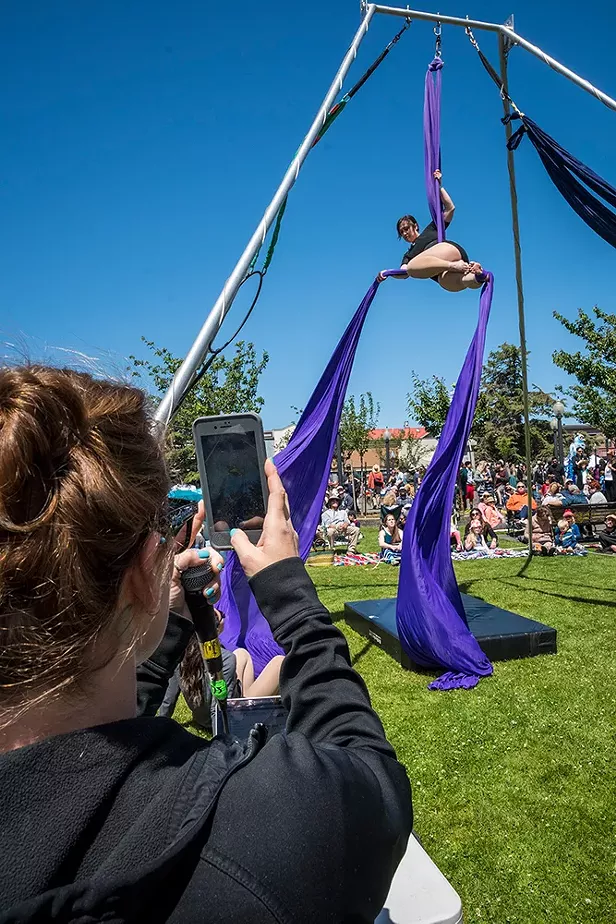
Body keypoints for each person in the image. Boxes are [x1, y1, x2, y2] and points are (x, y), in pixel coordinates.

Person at [0, 365, 411, 921]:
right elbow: (375, 785)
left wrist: (163, 616)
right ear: (149, 568)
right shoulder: (260, 823)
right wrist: (292, 594)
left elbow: (97, 744)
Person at [160, 608, 284, 730]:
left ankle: (245, 696)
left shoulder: (181, 655)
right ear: (217, 629)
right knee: (279, 662)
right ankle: (272, 711)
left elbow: (169, 699)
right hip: (226, 717)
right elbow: (223, 708)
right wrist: (221, 738)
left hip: (201, 717)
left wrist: (160, 723)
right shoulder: (224, 660)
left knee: (241, 653)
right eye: (222, 616)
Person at [378, 170, 485, 291]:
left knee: (412, 268)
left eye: (406, 228)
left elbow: (450, 209)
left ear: (416, 226)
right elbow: (402, 273)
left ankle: (454, 265)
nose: (404, 233)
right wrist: (387, 273)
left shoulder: (430, 230)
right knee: (448, 283)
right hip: (449, 270)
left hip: (449, 252)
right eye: (401, 232)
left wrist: (439, 186)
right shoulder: (408, 255)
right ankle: (478, 276)